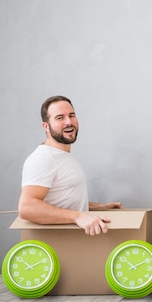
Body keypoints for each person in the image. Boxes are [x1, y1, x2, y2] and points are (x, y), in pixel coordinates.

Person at [18, 95, 122, 235]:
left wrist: (98, 207)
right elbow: (27, 208)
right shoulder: (44, 158)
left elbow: (62, 201)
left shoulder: (61, 156)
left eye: (71, 115)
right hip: (58, 246)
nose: (69, 122)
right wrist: (78, 217)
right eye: (60, 118)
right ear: (46, 126)